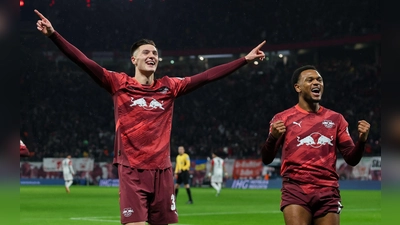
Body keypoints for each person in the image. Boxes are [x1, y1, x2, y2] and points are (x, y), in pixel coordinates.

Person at [34, 9, 265, 225]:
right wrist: (54, 35)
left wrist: (243, 60)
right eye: (146, 52)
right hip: (132, 170)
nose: (152, 55)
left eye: (155, 53)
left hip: (163, 171)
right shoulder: (119, 83)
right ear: (133, 59)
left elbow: (206, 77)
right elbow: (84, 62)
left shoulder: (170, 87)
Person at [261, 65, 370, 225]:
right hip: (296, 188)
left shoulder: (336, 119)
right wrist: (272, 138)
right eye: (310, 80)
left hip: (328, 189)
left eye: (319, 79)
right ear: (297, 87)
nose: (316, 83)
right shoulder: (283, 118)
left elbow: (351, 159)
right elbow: (266, 158)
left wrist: (361, 141)